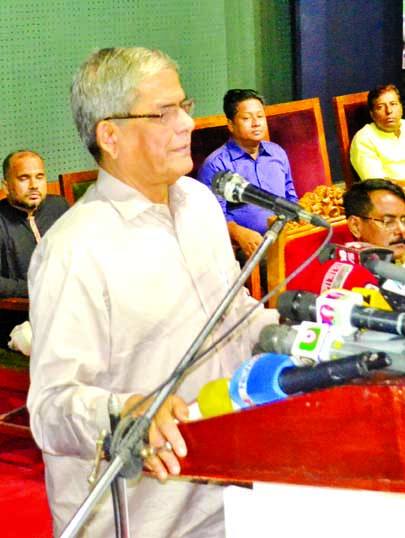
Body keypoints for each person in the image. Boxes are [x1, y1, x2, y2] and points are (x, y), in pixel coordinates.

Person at [27, 47, 278, 537]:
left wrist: (303, 337)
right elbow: (51, 409)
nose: (187, 123)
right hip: (141, 519)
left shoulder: (200, 204)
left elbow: (233, 316)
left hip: (232, 494)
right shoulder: (75, 250)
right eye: (165, 112)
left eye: (184, 105)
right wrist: (125, 410)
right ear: (110, 135)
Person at [198, 88, 297, 261]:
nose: (256, 123)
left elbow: (290, 196)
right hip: (250, 246)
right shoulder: (216, 165)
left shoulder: (277, 153)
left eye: (260, 116)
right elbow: (213, 218)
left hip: (287, 237)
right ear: (230, 124)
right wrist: (238, 233)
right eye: (246, 118)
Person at [0, 150, 68, 342]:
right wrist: (36, 287)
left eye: (39, 177)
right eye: (24, 178)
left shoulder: (59, 207)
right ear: (6, 186)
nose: (33, 185)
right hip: (20, 319)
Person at [343, 179, 405, 264]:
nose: (402, 230)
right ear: (356, 226)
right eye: (388, 222)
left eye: (404, 221)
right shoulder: (351, 273)